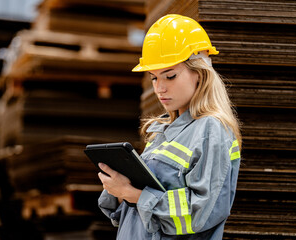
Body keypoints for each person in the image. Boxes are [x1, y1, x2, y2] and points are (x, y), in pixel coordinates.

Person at [97, 14, 241, 240]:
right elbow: (131, 213)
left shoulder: (211, 130)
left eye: (170, 76)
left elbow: (200, 213)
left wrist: (132, 194)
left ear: (200, 73)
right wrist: (117, 190)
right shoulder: (163, 132)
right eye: (153, 78)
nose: (159, 88)